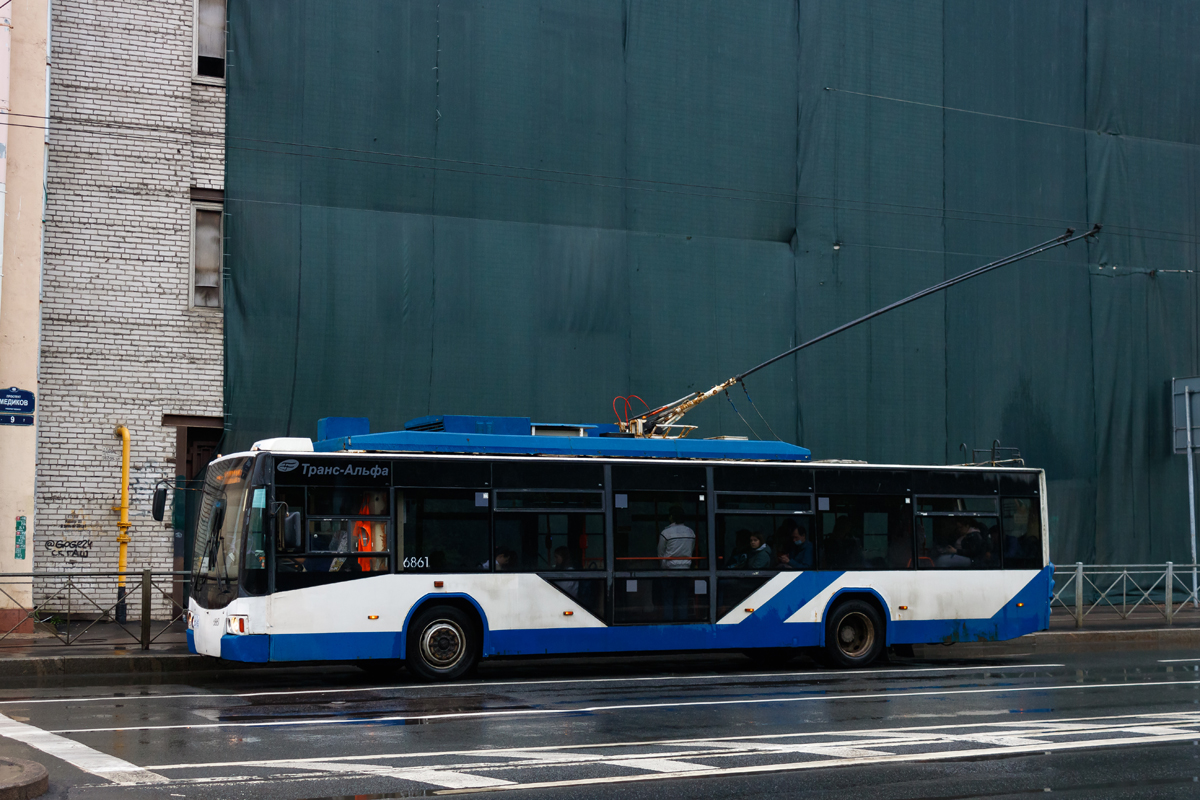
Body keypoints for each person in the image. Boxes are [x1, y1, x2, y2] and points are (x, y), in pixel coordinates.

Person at [658, 506, 696, 621]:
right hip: (685, 569)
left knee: (668, 598)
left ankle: (668, 622)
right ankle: (682, 622)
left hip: (669, 570)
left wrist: (663, 568)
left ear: (671, 517)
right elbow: (692, 550)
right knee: (682, 598)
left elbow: (660, 553)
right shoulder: (691, 532)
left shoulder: (666, 532)